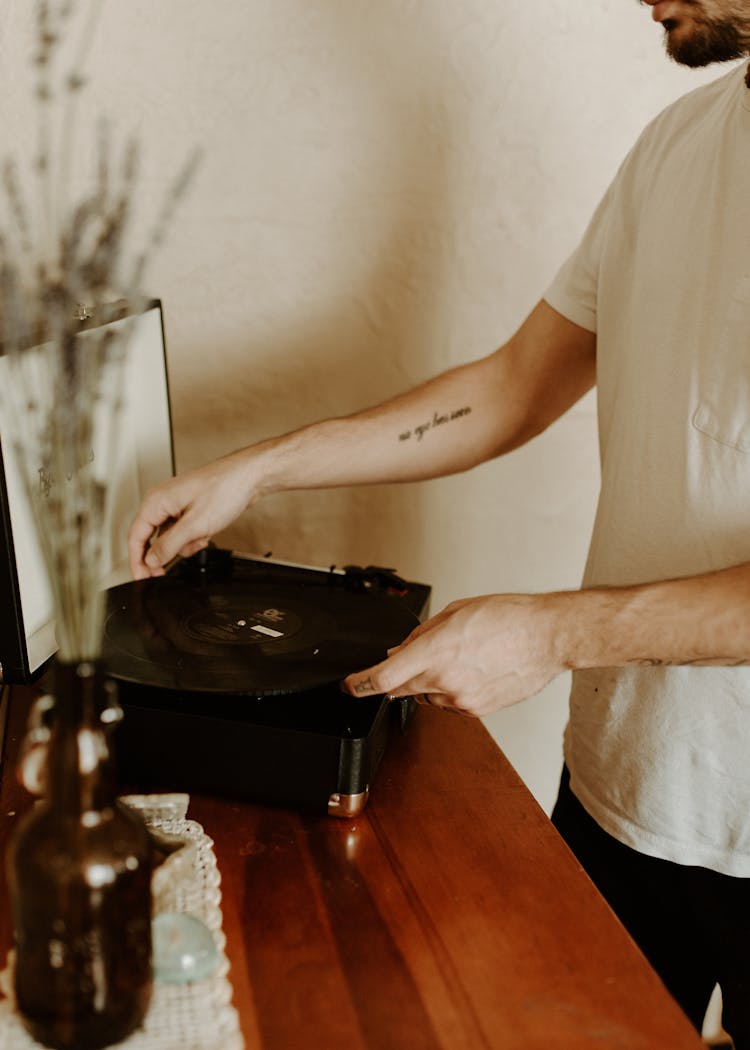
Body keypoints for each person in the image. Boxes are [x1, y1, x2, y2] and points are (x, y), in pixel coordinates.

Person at [129, 1, 750, 1043]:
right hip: (625, 787)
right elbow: (513, 386)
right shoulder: (679, 142)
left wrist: (553, 632)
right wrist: (267, 467)